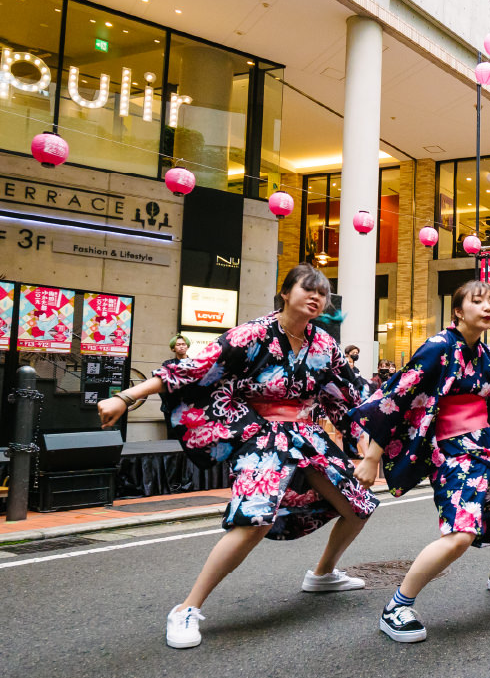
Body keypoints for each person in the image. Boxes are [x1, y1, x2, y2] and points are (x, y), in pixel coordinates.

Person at [97, 264, 379, 650]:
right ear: (285, 293)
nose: (316, 297)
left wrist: (368, 449)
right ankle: (186, 608)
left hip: (307, 436)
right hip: (260, 437)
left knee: (358, 505)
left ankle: (322, 573)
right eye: (308, 289)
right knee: (254, 520)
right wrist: (127, 396)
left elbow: (350, 396)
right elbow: (193, 368)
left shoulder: (325, 345)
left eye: (323, 293)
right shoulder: (253, 334)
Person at [351, 281, 490, 643]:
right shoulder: (438, 348)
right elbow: (396, 397)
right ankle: (397, 605)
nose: (489, 307)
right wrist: (371, 456)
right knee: (461, 534)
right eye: (479, 301)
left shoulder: (485, 354)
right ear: (458, 311)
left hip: (487, 445)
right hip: (452, 450)